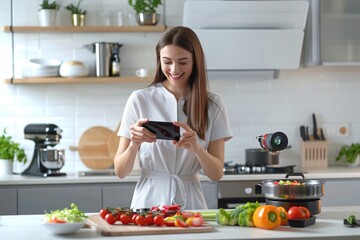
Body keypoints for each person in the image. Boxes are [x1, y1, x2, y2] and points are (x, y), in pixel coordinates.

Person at [114, 26, 233, 210]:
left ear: (196, 61)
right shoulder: (139, 99)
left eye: (183, 61)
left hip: (191, 203)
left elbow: (216, 174)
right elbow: (120, 171)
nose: (174, 69)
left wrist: (197, 149)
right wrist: (133, 144)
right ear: (159, 60)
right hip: (148, 202)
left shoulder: (213, 104)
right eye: (167, 61)